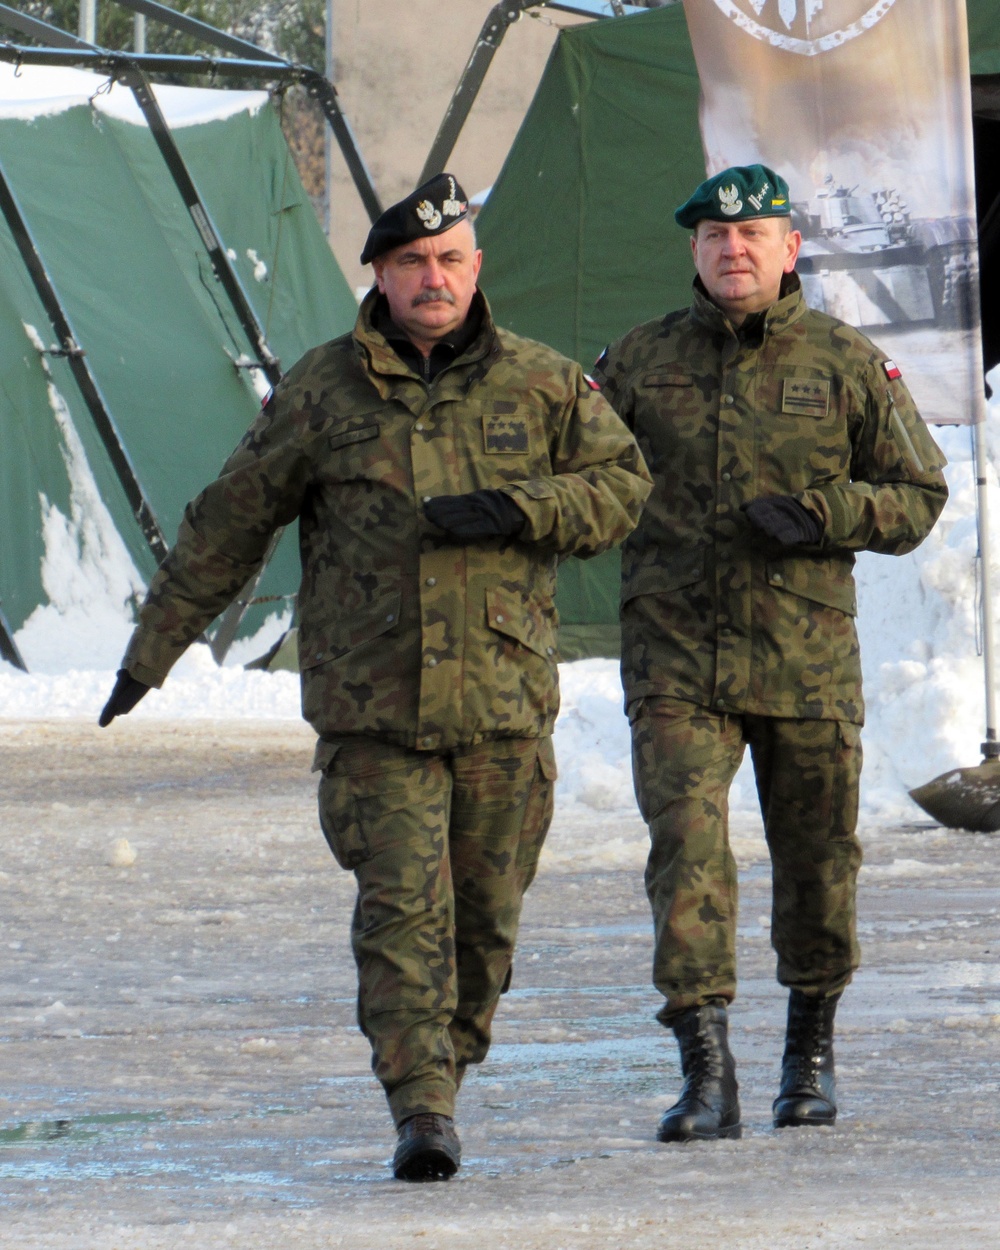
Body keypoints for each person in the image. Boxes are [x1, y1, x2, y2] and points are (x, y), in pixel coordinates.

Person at [98, 173, 651, 1181]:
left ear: (476, 269)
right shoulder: (322, 390)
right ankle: (421, 1107)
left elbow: (623, 488)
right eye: (410, 264)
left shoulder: (542, 382)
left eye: (448, 261)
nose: (432, 279)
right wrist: (153, 650)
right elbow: (229, 520)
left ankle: (446, 1062)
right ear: (382, 278)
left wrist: (525, 508)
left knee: (483, 925)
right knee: (401, 913)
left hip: (501, 710)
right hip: (373, 712)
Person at [593, 164, 947, 1142]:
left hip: (805, 665)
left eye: (752, 234)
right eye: (713, 234)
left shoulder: (843, 362)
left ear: (790, 249)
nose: (731, 248)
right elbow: (573, 474)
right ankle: (705, 1070)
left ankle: (809, 1052)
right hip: (675, 664)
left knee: (817, 864)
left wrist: (827, 512)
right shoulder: (636, 360)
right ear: (694, 251)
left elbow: (920, 492)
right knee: (687, 854)